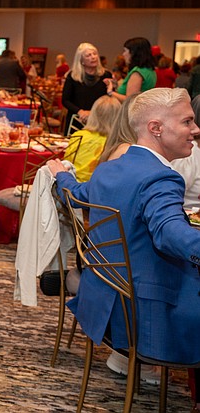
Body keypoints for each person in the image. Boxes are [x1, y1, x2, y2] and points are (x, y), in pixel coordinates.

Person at [48, 88, 200, 385]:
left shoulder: (110, 169)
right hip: (147, 315)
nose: (195, 129)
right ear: (156, 128)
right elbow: (171, 234)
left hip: (105, 301)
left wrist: (60, 174)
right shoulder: (162, 178)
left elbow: (75, 194)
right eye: (187, 122)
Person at [63, 95, 121, 182]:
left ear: (93, 114)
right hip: (97, 189)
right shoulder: (117, 143)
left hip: (71, 187)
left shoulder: (78, 136)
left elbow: (66, 163)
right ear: (118, 118)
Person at [61, 43, 112, 133]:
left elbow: (109, 99)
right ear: (81, 60)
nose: (93, 57)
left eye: (95, 54)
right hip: (77, 119)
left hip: (99, 122)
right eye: (88, 55)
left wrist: (92, 113)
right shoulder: (72, 76)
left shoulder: (106, 75)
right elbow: (65, 100)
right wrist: (80, 112)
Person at [107, 37, 156, 102]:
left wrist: (110, 92)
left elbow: (129, 100)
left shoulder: (137, 72)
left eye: (125, 51)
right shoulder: (150, 70)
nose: (123, 54)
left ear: (133, 53)